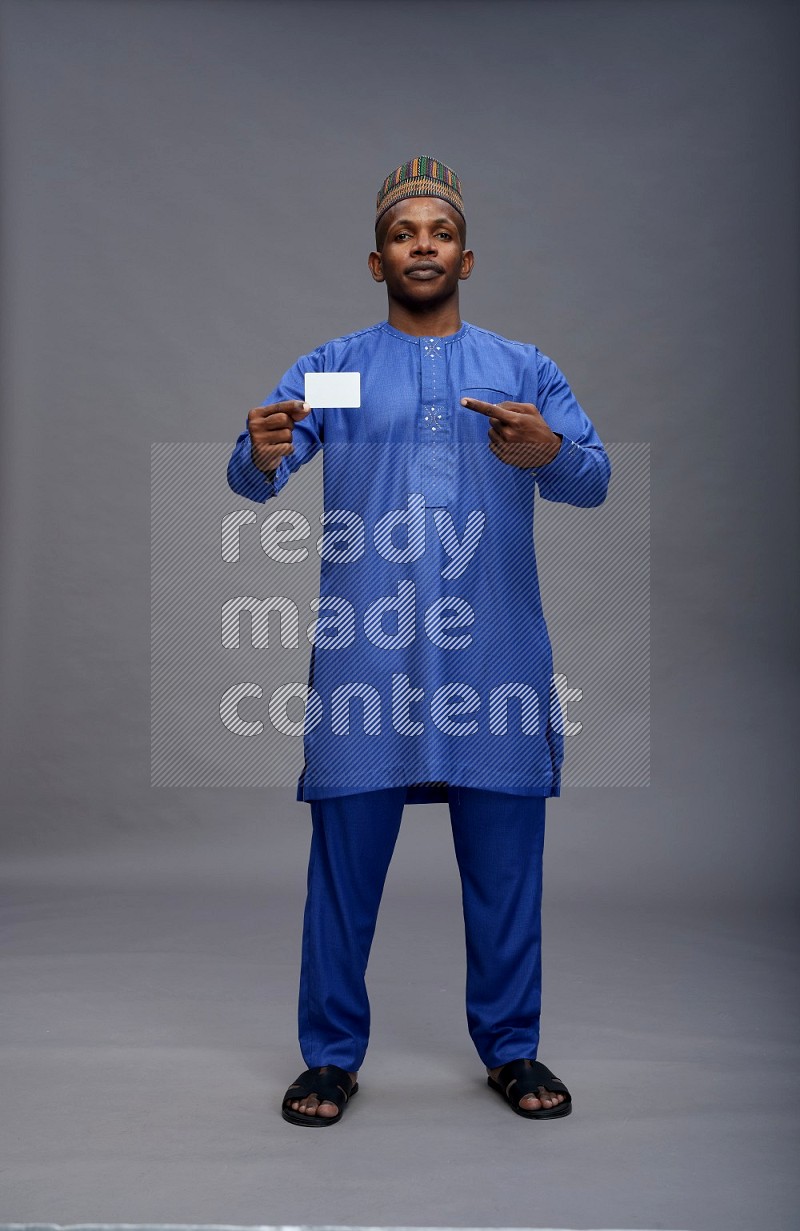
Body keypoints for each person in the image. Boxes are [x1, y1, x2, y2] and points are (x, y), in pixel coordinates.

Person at [227, 156, 610, 1125]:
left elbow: (590, 477)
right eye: (404, 234)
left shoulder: (520, 369)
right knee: (343, 863)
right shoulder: (338, 371)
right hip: (371, 653)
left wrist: (548, 453)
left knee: (505, 861)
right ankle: (328, 1056)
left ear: (466, 256)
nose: (422, 246)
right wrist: (261, 451)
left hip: (493, 654)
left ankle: (511, 1048)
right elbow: (260, 466)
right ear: (375, 260)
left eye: (437, 232)